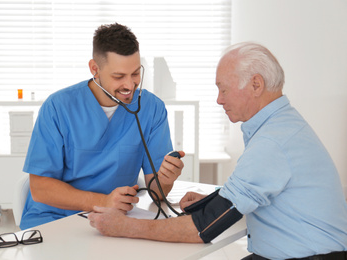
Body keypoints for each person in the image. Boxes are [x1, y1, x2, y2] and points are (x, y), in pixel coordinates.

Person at [88, 42, 347, 259]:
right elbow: (257, 190)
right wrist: (211, 199)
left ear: (256, 85)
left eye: (223, 89)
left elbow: (203, 229)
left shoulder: (272, 143)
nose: (219, 99)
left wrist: (125, 227)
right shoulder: (283, 125)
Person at [20, 23, 185, 230]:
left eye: (135, 74)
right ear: (94, 69)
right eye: (118, 77)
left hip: (114, 220)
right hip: (54, 219)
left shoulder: (152, 109)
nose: (129, 85)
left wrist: (166, 179)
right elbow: (40, 189)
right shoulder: (58, 107)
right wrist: (103, 201)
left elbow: (157, 192)